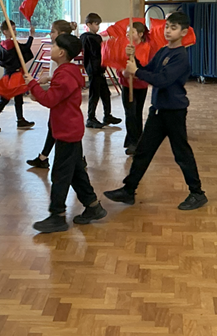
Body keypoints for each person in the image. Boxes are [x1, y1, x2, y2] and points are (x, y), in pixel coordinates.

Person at [104, 11, 207, 211]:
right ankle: (129, 190)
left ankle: (197, 193)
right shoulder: (163, 52)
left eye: (173, 28)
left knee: (181, 153)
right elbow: (148, 70)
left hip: (174, 111)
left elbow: (163, 80)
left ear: (183, 32)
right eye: (167, 26)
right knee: (143, 151)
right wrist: (134, 59)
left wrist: (136, 71)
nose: (168, 31)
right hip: (158, 110)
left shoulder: (180, 57)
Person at [23, 34, 107, 233]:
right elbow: (56, 94)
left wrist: (33, 84)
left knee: (60, 175)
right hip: (68, 129)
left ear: (61, 53)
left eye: (54, 45)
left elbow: (50, 100)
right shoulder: (67, 71)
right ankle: (93, 206)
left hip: (67, 132)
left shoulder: (65, 75)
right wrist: (45, 84)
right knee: (76, 173)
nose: (51, 47)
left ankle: (57, 216)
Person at [26, 19, 74, 170]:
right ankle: (43, 157)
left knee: (62, 133)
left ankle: (78, 160)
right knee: (53, 126)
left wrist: (36, 89)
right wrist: (48, 79)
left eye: (53, 32)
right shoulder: (59, 56)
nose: (50, 34)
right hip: (58, 97)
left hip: (62, 103)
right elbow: (59, 78)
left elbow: (62, 82)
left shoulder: (64, 56)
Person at [0, 20, 36, 132]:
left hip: (8, 74)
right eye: (12, 29)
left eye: (15, 29)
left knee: (18, 97)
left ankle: (20, 120)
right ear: (5, 32)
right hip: (14, 76)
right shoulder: (12, 44)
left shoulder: (3, 45)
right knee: (6, 98)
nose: (15, 31)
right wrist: (31, 36)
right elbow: (26, 48)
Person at [81, 12, 121, 129]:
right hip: (94, 70)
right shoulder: (88, 37)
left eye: (98, 24)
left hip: (99, 69)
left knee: (105, 93)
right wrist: (107, 44)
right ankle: (91, 118)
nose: (97, 27)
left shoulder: (94, 37)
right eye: (95, 24)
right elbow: (96, 52)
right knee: (94, 94)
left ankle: (107, 115)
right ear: (89, 24)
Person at [119, 22, 151, 156]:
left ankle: (138, 139)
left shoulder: (146, 47)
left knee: (137, 113)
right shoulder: (125, 47)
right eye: (127, 31)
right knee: (130, 113)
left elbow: (147, 66)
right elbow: (119, 65)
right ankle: (133, 141)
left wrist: (137, 72)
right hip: (127, 85)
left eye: (131, 32)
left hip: (141, 85)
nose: (128, 34)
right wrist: (124, 72)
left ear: (140, 34)